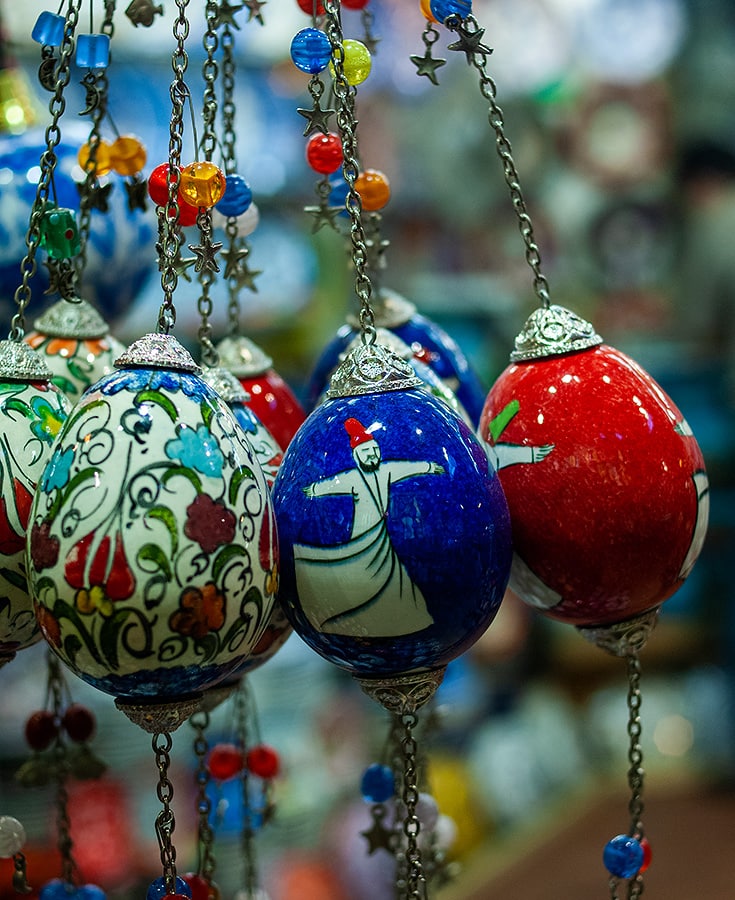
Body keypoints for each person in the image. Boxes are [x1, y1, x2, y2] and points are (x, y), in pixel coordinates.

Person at [294, 417, 445, 638]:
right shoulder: (353, 478)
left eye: (374, 450)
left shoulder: (387, 470)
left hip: (381, 535)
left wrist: (429, 466)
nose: (372, 455)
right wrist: (315, 489)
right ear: (356, 456)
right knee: (359, 570)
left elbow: (406, 468)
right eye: (366, 452)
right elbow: (332, 483)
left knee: (393, 572)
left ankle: (403, 616)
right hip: (362, 536)